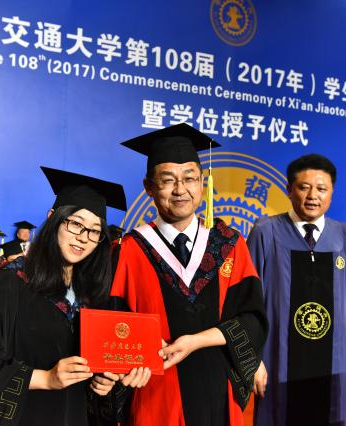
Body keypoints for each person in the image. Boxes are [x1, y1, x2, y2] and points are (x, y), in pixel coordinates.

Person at [0, 167, 149, 426]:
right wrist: (46, 378)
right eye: (76, 224)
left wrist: (105, 382)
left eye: (94, 231)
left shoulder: (93, 295)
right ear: (53, 218)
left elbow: (100, 374)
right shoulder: (8, 284)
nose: (83, 238)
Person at [111, 123, 268, 425]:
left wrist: (196, 341)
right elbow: (115, 324)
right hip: (155, 396)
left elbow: (252, 319)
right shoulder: (129, 250)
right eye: (168, 180)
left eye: (189, 178)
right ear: (149, 187)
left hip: (217, 393)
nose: (180, 189)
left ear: (202, 183)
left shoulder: (229, 245)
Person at [247, 153, 346, 426]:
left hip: (334, 362)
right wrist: (253, 360)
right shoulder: (265, 232)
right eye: (304, 187)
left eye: (321, 188)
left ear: (331, 193)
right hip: (279, 360)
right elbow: (247, 302)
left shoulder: (344, 235)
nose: (313, 196)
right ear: (289, 189)